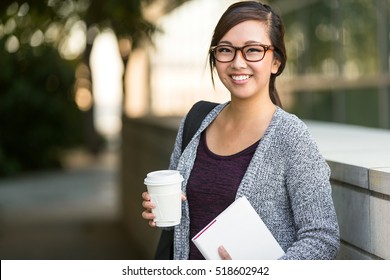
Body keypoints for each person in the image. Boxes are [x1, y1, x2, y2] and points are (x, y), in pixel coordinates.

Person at [141, 1, 340, 260]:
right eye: (226, 50)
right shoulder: (196, 120)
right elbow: (180, 217)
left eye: (253, 50)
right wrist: (159, 210)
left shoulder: (291, 137)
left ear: (276, 62)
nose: (237, 62)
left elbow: (322, 237)